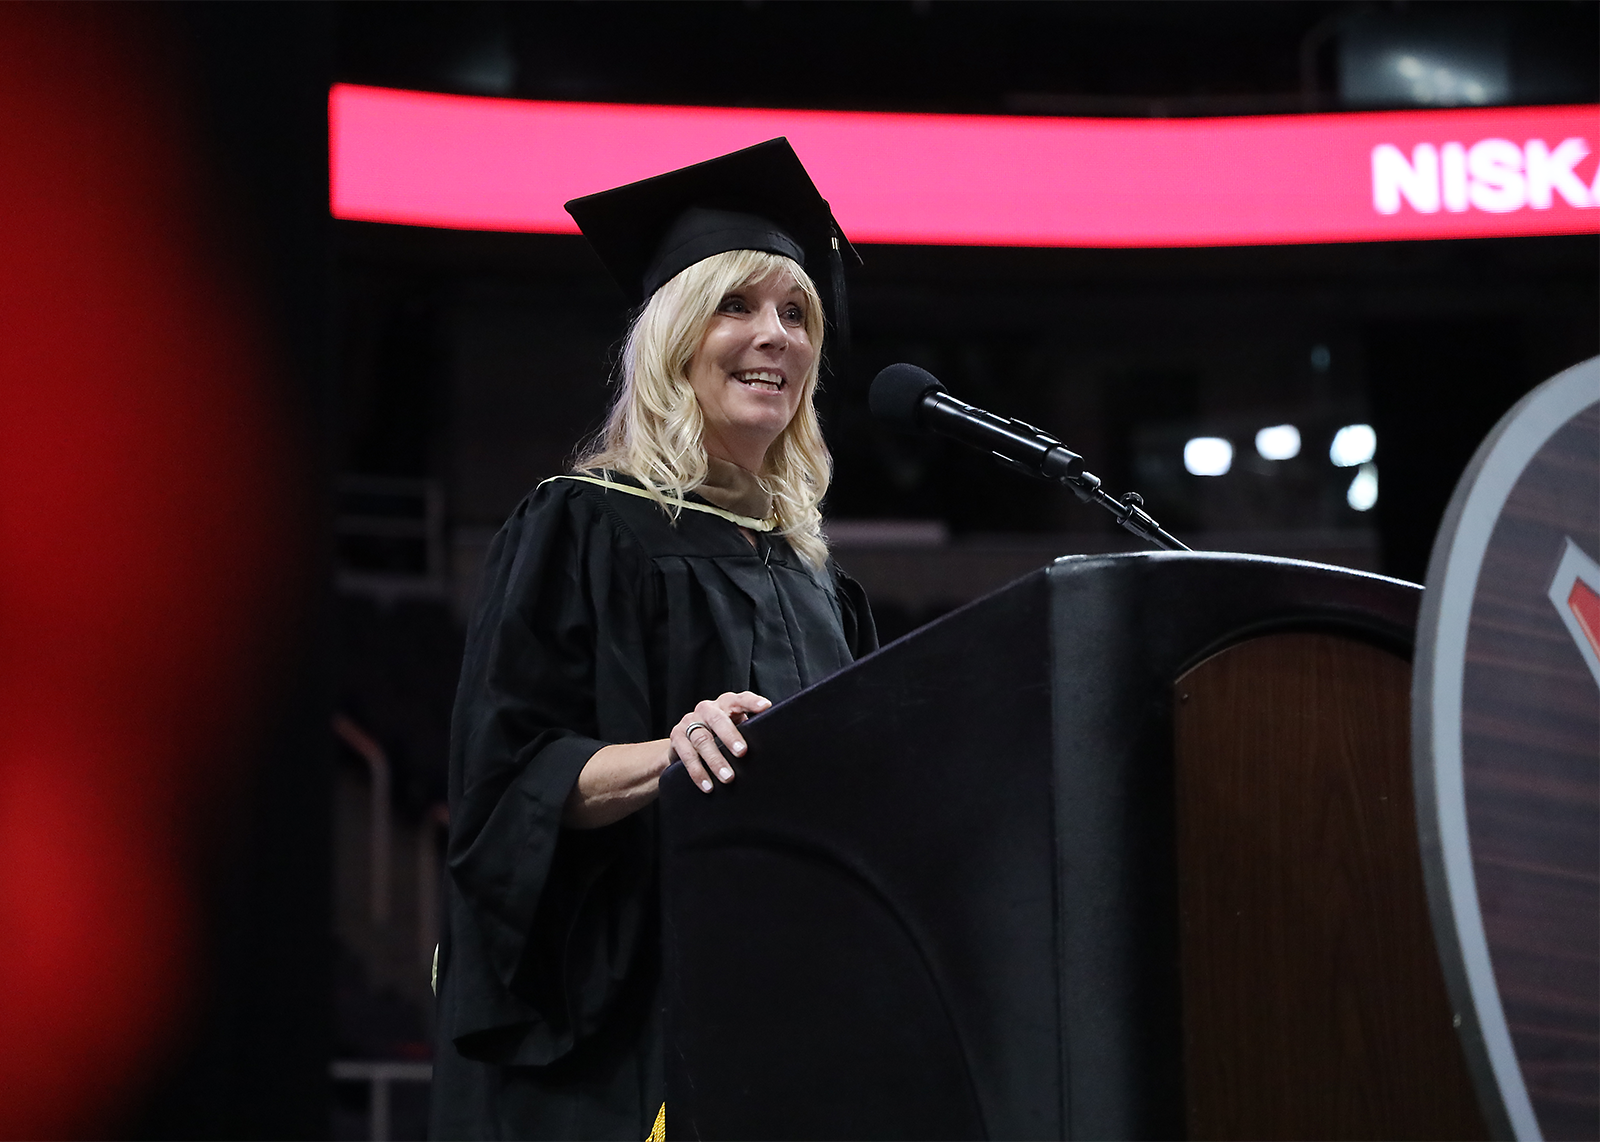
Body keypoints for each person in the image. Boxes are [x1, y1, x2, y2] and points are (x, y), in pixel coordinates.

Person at [430, 139, 878, 1141]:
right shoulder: (580, 524)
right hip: (625, 1032)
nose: (775, 335)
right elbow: (508, 786)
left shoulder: (818, 579)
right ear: (674, 337)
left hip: (787, 1027)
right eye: (737, 305)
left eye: (797, 312)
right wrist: (674, 752)